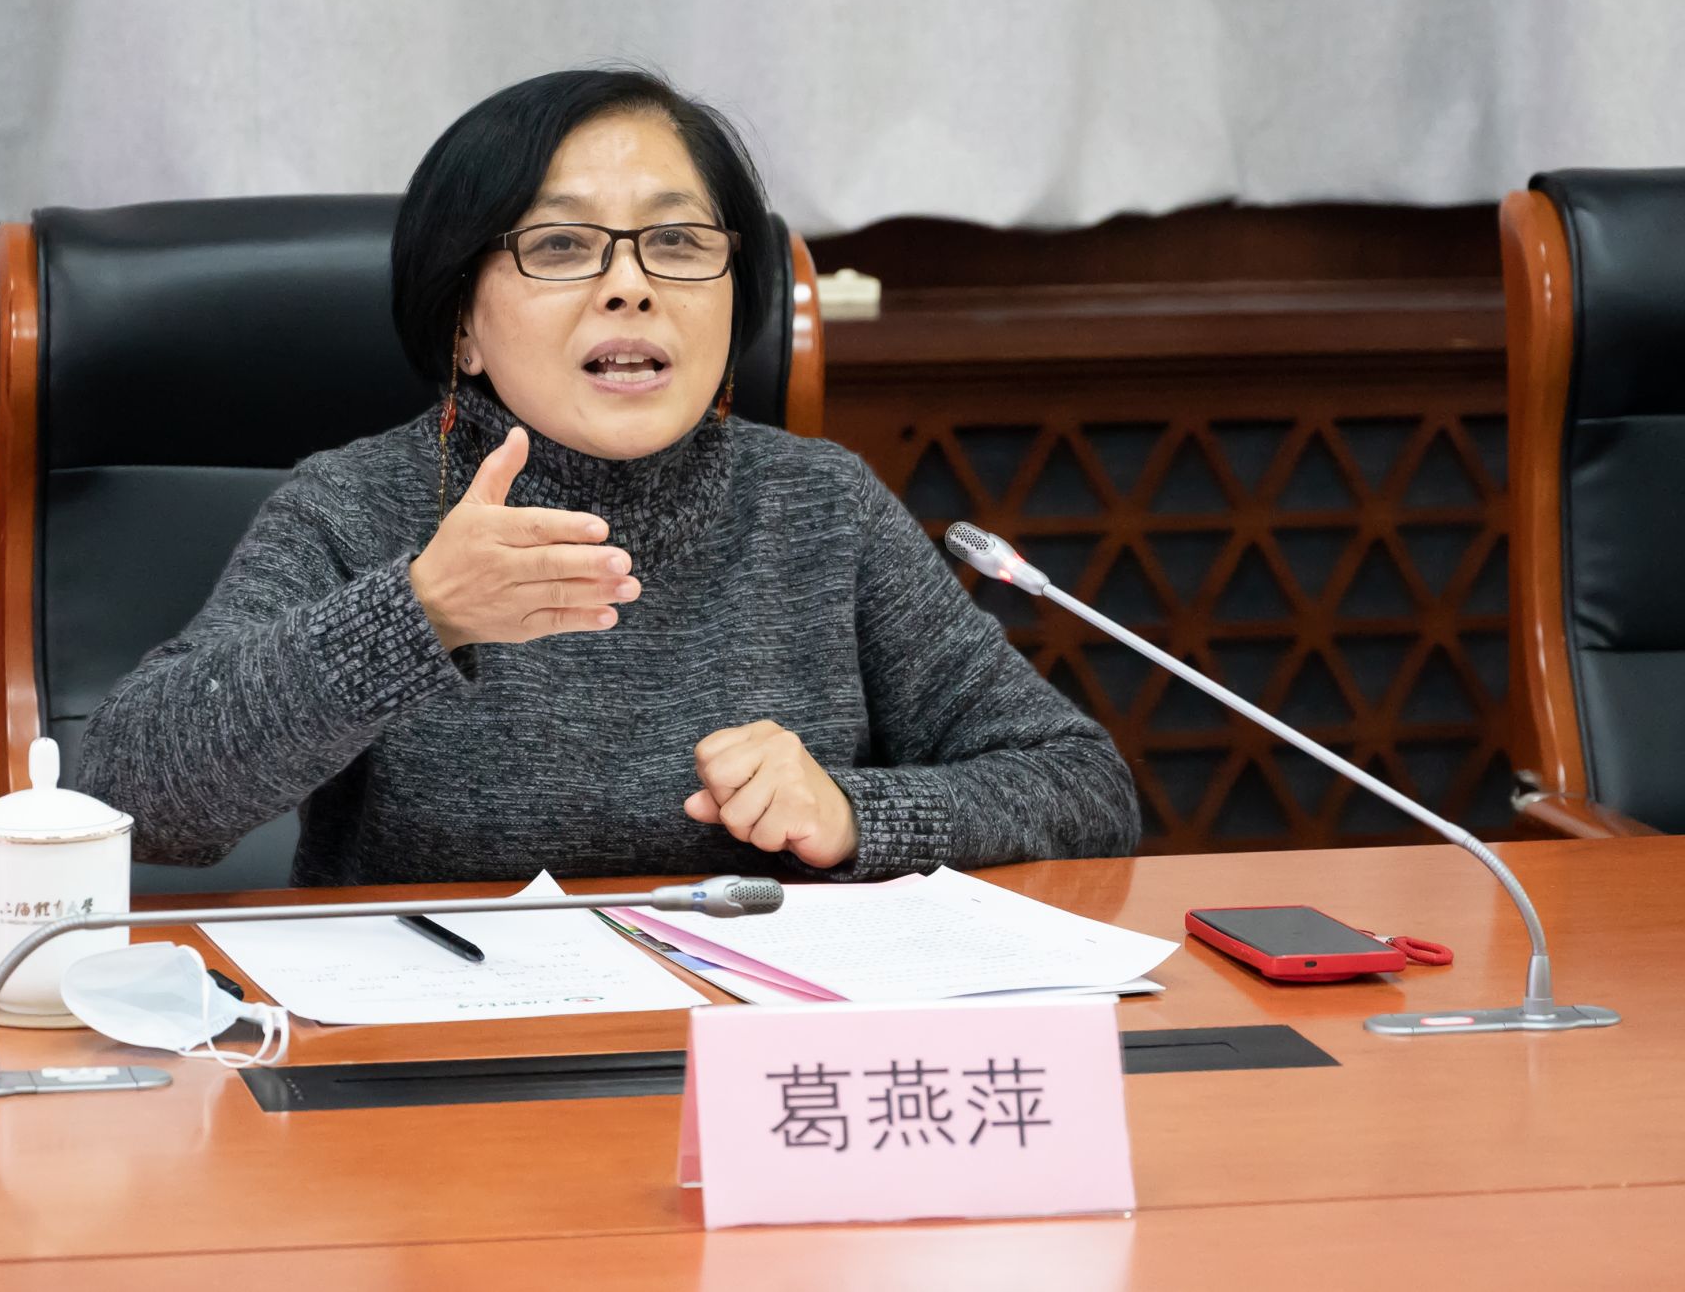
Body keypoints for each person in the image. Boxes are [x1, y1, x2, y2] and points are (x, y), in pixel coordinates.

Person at [77, 68, 1138, 884]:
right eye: (560, 246)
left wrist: (859, 814)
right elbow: (132, 800)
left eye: (676, 241)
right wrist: (417, 614)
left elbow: (1081, 785)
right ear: (462, 325)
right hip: (439, 1061)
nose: (630, 286)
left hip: (742, 1052)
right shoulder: (356, 507)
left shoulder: (819, 506)